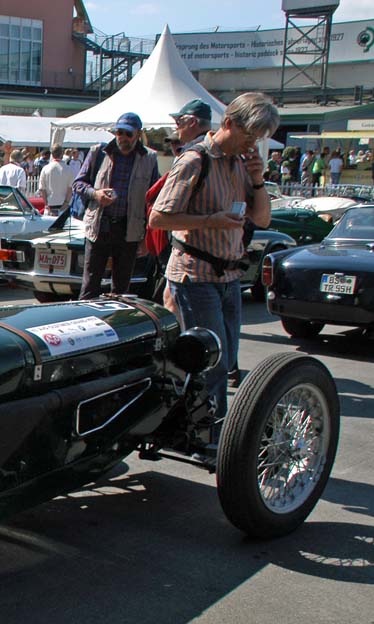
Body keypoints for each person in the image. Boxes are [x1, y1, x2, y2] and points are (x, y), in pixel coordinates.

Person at [149, 91, 278, 422]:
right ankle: (208, 428)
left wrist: (258, 181)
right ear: (229, 123)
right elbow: (158, 218)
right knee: (211, 361)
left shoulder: (239, 164)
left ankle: (198, 421)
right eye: (249, 134)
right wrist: (210, 220)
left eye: (258, 138)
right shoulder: (195, 160)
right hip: (195, 275)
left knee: (227, 357)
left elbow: (262, 219)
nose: (252, 143)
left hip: (229, 276)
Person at [72, 112, 159, 300]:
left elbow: (153, 199)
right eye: (119, 132)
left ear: (138, 134)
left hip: (129, 228)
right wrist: (96, 194)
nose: (123, 138)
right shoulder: (99, 152)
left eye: (128, 134)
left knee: (121, 288)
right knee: (90, 285)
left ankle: (115, 317)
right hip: (99, 225)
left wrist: (147, 236)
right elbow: (78, 184)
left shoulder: (149, 158)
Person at [38, 146, 72, 213]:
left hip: (50, 204)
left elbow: (42, 189)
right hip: (64, 205)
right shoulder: (69, 169)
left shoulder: (45, 168)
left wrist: (46, 204)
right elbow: (70, 189)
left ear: (52, 154)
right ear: (62, 154)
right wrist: (66, 203)